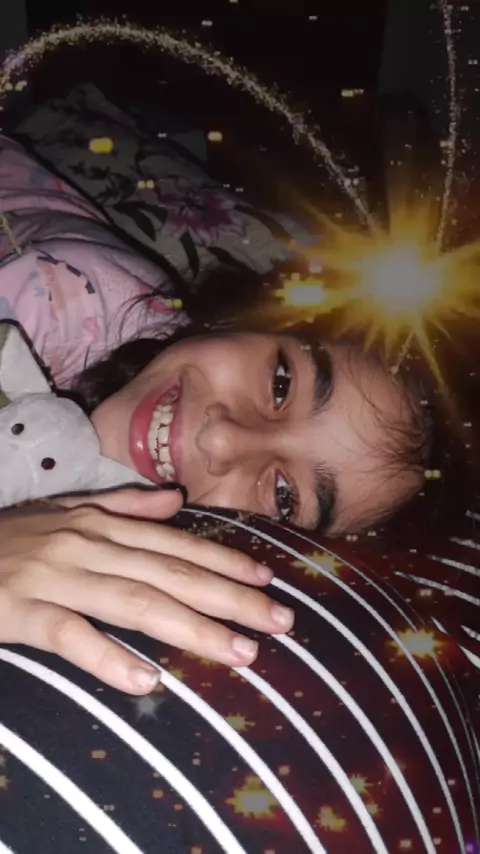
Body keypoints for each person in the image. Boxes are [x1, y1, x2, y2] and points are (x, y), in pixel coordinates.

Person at [0, 131, 450, 693]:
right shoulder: (61, 295)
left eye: (284, 497)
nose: (221, 441)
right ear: (247, 319)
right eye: (281, 382)